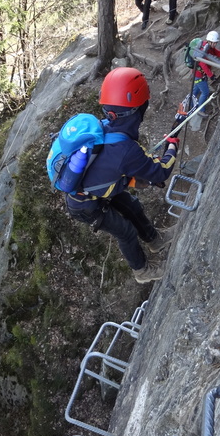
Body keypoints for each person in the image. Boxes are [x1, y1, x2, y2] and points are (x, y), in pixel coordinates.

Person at [65, 67, 179, 284]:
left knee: (132, 206)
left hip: (89, 190)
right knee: (125, 231)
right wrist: (172, 147)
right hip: (84, 205)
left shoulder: (105, 125)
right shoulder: (126, 149)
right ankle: (142, 272)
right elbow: (160, 172)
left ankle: (155, 240)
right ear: (137, 109)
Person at [191, 30, 220, 117]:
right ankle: (200, 110)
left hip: (198, 74)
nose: (215, 44)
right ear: (210, 41)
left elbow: (218, 53)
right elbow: (203, 64)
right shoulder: (204, 50)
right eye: (214, 43)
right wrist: (211, 75)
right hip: (199, 75)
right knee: (205, 92)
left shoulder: (209, 48)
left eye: (216, 43)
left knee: (196, 89)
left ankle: (190, 104)